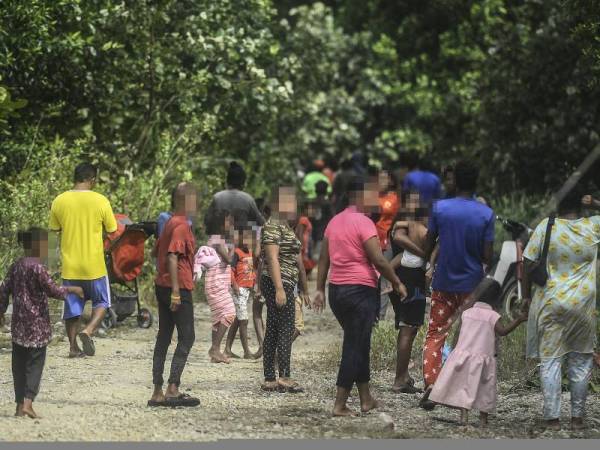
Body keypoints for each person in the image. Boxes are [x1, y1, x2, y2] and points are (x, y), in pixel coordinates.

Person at [313, 177, 407, 417]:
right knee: (354, 345)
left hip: (337, 293)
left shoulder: (334, 222)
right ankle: (340, 404)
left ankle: (366, 398)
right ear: (358, 196)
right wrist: (397, 282)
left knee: (359, 341)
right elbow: (378, 259)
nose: (375, 198)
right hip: (360, 291)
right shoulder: (364, 223)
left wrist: (320, 289)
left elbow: (323, 259)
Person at [521, 191, 600, 431]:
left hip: (551, 302)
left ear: (557, 205)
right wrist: (596, 203)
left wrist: (525, 297)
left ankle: (553, 419)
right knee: (581, 360)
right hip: (583, 305)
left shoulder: (546, 226)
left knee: (551, 361)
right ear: (581, 205)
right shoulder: (593, 226)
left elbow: (527, 263)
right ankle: (577, 419)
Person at [420, 160, 495, 409]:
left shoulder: (440, 208)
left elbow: (429, 244)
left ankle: (432, 383)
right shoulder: (485, 213)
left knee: (436, 332)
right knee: (468, 337)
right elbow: (487, 255)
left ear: (455, 181)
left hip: (443, 282)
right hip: (472, 286)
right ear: (475, 183)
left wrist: (424, 264)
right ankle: (460, 389)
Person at [0, 228, 84, 418]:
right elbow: (52, 290)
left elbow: (4, 291)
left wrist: (1, 311)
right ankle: (28, 403)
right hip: (37, 327)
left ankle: (19, 405)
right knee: (35, 364)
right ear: (38, 245)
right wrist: (73, 290)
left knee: (19, 366)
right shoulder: (38, 267)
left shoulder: (16, 266)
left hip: (19, 327)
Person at [429, 277, 528, 426]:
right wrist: (518, 320)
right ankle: (483, 419)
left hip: (463, 355)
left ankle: (464, 416)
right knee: (485, 388)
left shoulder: (467, 313)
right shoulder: (493, 316)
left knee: (463, 385)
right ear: (497, 297)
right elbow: (503, 331)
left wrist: (454, 352)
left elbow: (458, 333)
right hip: (484, 358)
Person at [49, 162, 118, 358]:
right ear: (92, 179)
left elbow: (54, 230)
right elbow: (113, 231)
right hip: (94, 265)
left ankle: (72, 348)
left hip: (70, 266)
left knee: (72, 307)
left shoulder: (59, 201)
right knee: (102, 301)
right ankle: (88, 331)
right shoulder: (101, 200)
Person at [149, 183, 199, 407]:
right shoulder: (180, 225)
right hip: (177, 287)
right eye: (195, 199)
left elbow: (155, 250)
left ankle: (157, 390)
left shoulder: (169, 222)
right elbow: (171, 256)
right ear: (186, 200)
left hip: (163, 284)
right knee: (187, 336)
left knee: (164, 336)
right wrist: (177, 292)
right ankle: (173, 387)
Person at [260, 186, 310, 393]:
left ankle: (270, 378)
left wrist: (304, 289)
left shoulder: (285, 226)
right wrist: (279, 288)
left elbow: (297, 259)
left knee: (274, 326)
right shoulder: (272, 226)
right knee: (285, 327)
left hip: (287, 281)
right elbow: (271, 258)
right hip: (278, 281)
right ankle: (283, 376)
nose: (293, 206)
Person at [389, 207, 430, 394]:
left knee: (409, 329)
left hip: (410, 278)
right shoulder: (415, 225)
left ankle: (403, 375)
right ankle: (399, 379)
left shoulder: (409, 224)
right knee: (408, 329)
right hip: (412, 279)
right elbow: (397, 237)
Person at [205, 210, 237, 364]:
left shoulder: (219, 239)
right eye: (228, 221)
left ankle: (214, 352)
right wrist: (234, 244)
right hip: (215, 283)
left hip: (217, 283)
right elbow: (229, 259)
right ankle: (215, 348)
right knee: (230, 312)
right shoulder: (217, 240)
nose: (231, 225)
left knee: (219, 317)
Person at [224, 227, 256, 359]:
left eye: (251, 238)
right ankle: (247, 351)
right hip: (239, 290)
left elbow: (252, 271)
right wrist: (235, 285)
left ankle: (227, 349)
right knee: (244, 320)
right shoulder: (237, 252)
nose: (248, 241)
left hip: (247, 290)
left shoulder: (250, 253)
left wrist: (254, 285)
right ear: (241, 239)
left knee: (238, 319)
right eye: (245, 238)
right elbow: (230, 270)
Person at [204, 161, 265, 230]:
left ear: (227, 182)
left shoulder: (217, 197)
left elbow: (207, 220)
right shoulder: (248, 199)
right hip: (240, 239)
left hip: (219, 238)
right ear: (243, 184)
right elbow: (261, 222)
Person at [251, 201, 271, 359]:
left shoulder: (263, 229)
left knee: (257, 311)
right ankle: (275, 348)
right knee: (275, 314)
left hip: (264, 274)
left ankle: (263, 345)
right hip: (285, 276)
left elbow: (257, 254)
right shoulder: (286, 228)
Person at [310, 180, 334, 261]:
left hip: (311, 234)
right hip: (322, 234)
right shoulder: (328, 204)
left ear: (316, 190)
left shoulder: (312, 202)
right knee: (319, 258)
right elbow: (332, 219)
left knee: (311, 258)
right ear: (326, 191)